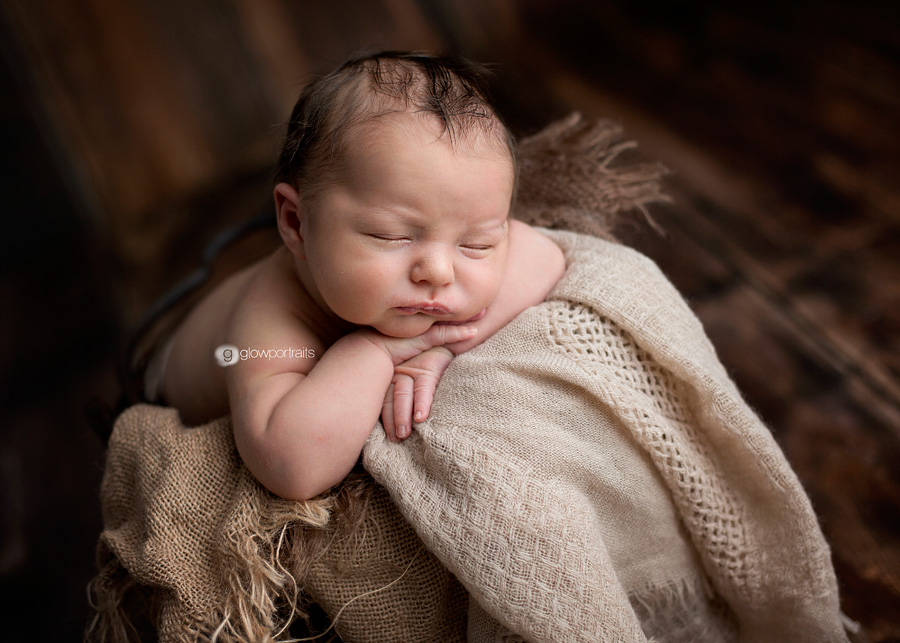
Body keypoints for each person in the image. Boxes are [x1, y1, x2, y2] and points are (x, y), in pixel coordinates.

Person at [149, 51, 566, 501]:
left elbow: (546, 255)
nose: (440, 272)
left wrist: (440, 344)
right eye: (390, 236)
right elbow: (292, 465)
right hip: (167, 379)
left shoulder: (438, 266)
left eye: (476, 244)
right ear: (295, 223)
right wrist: (377, 350)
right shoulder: (268, 320)